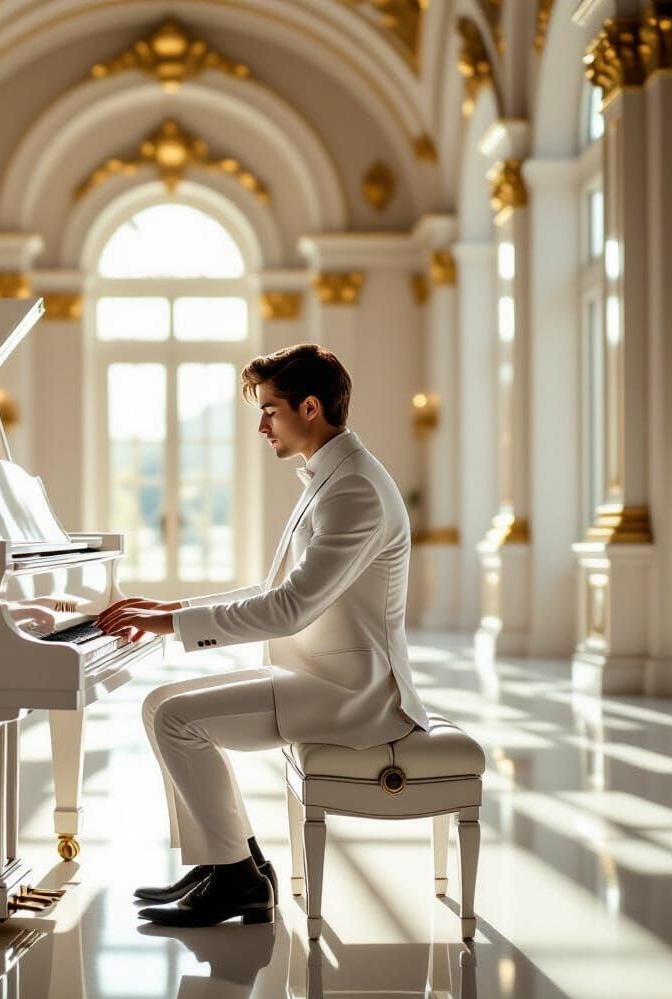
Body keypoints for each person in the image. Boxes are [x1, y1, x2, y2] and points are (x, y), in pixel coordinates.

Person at [97, 343, 430, 927]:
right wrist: (172, 607)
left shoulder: (354, 491)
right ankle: (234, 864)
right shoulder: (334, 478)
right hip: (323, 674)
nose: (260, 426)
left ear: (309, 408)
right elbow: (273, 586)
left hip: (358, 692)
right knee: (161, 706)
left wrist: (170, 625)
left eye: (269, 410)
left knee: (177, 720)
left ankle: (235, 880)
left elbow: (289, 608)